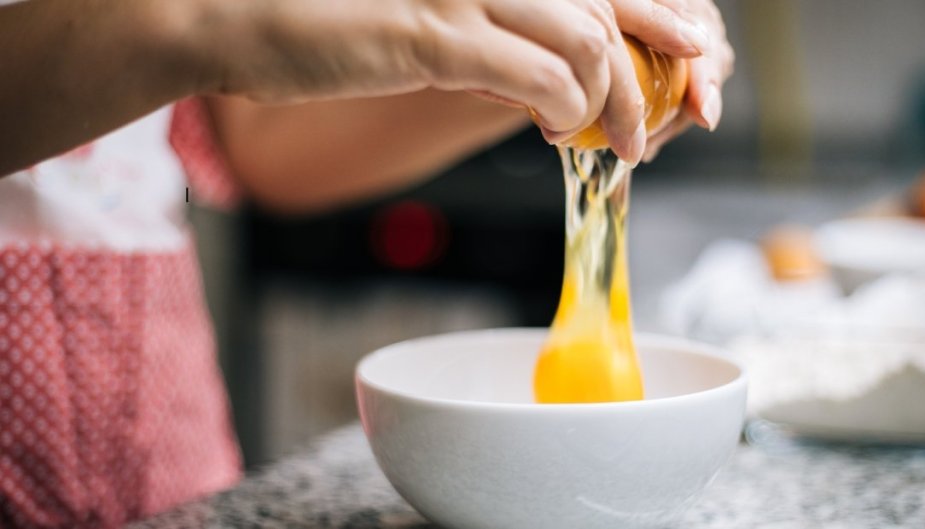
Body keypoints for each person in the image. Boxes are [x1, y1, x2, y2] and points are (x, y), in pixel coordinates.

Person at [0, 0, 733, 526]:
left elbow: (259, 138)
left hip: (164, 445)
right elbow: (206, 33)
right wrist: (205, 20)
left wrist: (538, 63)